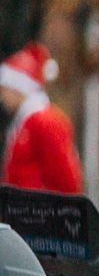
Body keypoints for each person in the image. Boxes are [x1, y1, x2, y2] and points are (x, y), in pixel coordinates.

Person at [0, 42, 82, 195]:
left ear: (18, 87)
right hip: (24, 212)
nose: (2, 97)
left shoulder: (46, 122)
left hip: (38, 214)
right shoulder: (24, 123)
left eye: (4, 89)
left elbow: (64, 178)